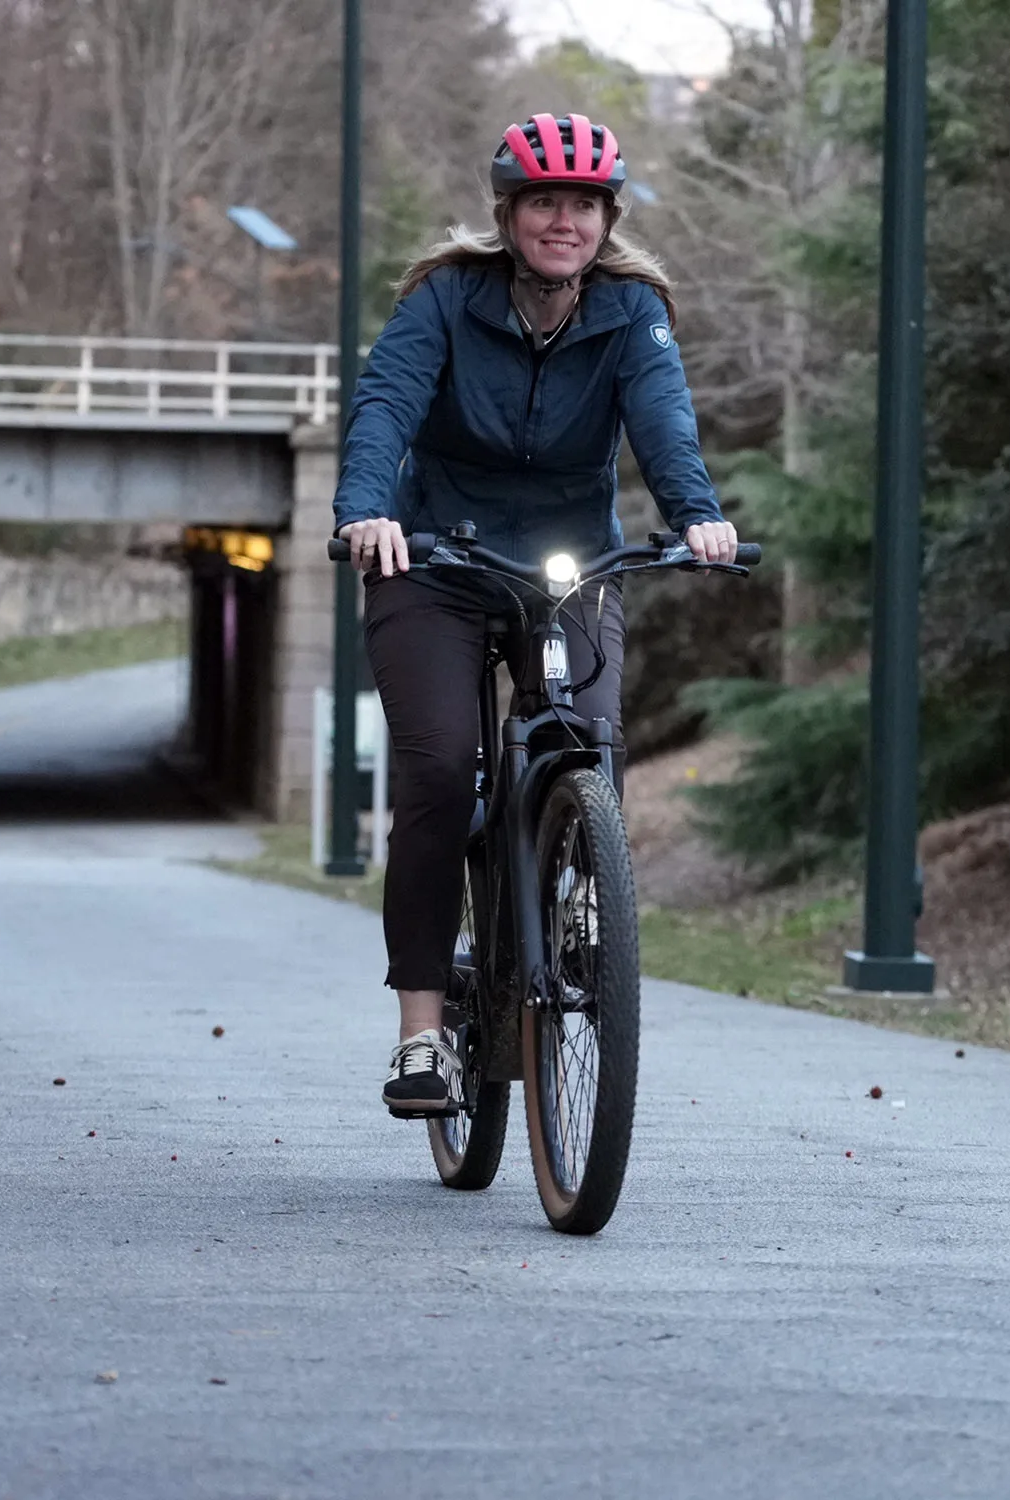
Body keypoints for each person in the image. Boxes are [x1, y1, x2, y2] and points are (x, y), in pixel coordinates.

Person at [332, 113, 740, 1115]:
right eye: (545, 203)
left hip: (570, 563)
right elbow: (385, 404)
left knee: (587, 736)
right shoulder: (444, 298)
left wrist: (697, 515)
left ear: (607, 221)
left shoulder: (631, 313)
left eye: (584, 206)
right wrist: (366, 512)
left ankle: (584, 892)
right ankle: (422, 1035)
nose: (565, 222)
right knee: (439, 770)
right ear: (508, 214)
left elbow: (663, 421)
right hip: (435, 559)